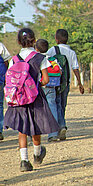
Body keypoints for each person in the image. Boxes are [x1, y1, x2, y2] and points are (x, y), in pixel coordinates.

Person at [3, 28, 60, 172]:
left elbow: (9, 79)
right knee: (36, 126)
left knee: (22, 129)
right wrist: (35, 85)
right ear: (34, 41)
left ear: (18, 42)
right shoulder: (40, 58)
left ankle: (24, 161)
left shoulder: (14, 60)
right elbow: (46, 79)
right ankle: (37, 154)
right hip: (35, 98)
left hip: (18, 99)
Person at [47, 29, 84, 141]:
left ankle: (58, 128)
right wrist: (80, 83)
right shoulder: (71, 52)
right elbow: (75, 68)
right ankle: (61, 126)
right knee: (62, 105)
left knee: (55, 104)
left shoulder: (52, 50)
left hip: (53, 83)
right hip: (65, 83)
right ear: (67, 39)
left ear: (56, 39)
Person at [35, 39, 62, 142]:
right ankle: (53, 134)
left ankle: (37, 133)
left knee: (38, 110)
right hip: (51, 87)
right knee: (52, 108)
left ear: (36, 49)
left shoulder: (36, 59)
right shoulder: (52, 59)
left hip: (39, 87)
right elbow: (60, 71)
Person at [0, 42, 11, 141]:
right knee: (0, 104)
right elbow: (7, 60)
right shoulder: (0, 45)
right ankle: (0, 130)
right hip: (0, 80)